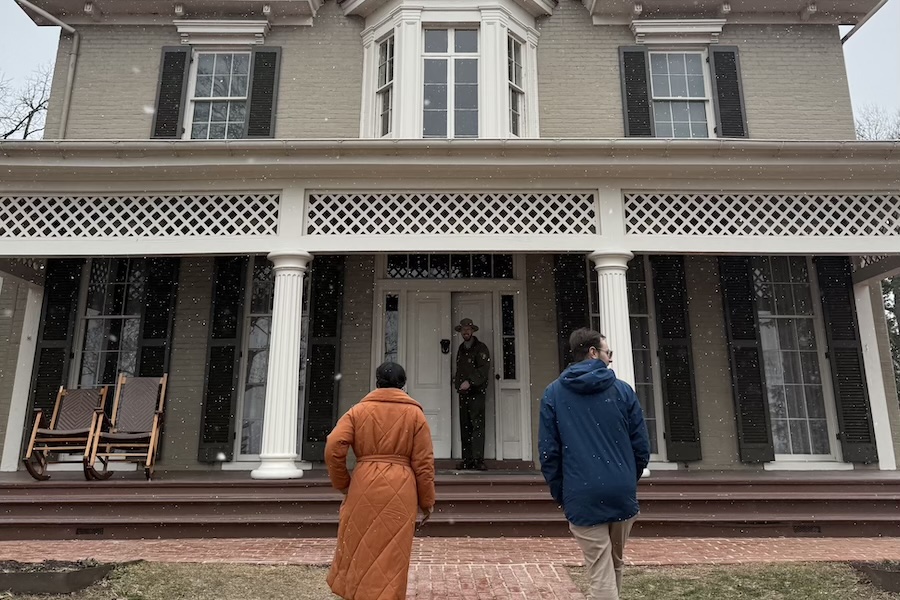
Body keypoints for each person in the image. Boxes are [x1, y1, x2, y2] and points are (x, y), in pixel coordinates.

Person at [539, 328, 650, 600]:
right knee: (613, 563)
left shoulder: (554, 394)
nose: (610, 358)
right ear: (592, 353)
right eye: (607, 352)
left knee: (602, 569)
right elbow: (642, 447)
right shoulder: (622, 391)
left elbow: (549, 453)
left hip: (582, 492)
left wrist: (562, 492)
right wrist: (625, 478)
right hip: (620, 491)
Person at [325, 362, 436, 600]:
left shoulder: (357, 411)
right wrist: (426, 501)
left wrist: (343, 483)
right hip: (401, 487)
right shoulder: (415, 414)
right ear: (403, 384)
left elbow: (334, 445)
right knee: (392, 556)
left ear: (377, 382)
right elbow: (424, 463)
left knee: (359, 549)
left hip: (363, 484)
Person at [453, 317, 491, 471]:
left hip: (476, 392)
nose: (465, 332)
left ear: (473, 331)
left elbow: (483, 370)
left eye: (468, 329)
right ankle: (467, 459)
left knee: (477, 425)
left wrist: (470, 381)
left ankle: (478, 459)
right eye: (463, 330)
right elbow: (459, 370)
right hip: (463, 393)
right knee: (465, 425)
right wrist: (458, 384)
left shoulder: (481, 348)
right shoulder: (461, 349)